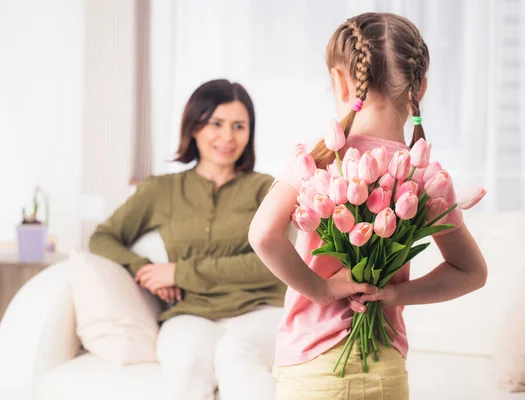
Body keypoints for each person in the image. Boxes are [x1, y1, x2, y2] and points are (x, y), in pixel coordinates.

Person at [249, 13, 487, 399]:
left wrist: (323, 289)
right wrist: (394, 295)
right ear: (420, 88)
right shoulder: (424, 176)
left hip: (312, 370)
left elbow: (262, 234)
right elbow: (471, 272)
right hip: (386, 369)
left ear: (340, 81)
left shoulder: (319, 160)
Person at [89, 79, 285, 400]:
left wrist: (180, 272)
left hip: (260, 310)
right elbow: (103, 237)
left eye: (239, 126)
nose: (227, 137)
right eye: (215, 124)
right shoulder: (160, 190)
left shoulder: (266, 189)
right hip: (190, 313)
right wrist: (145, 269)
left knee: (236, 356)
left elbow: (270, 264)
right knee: (186, 366)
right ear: (194, 127)